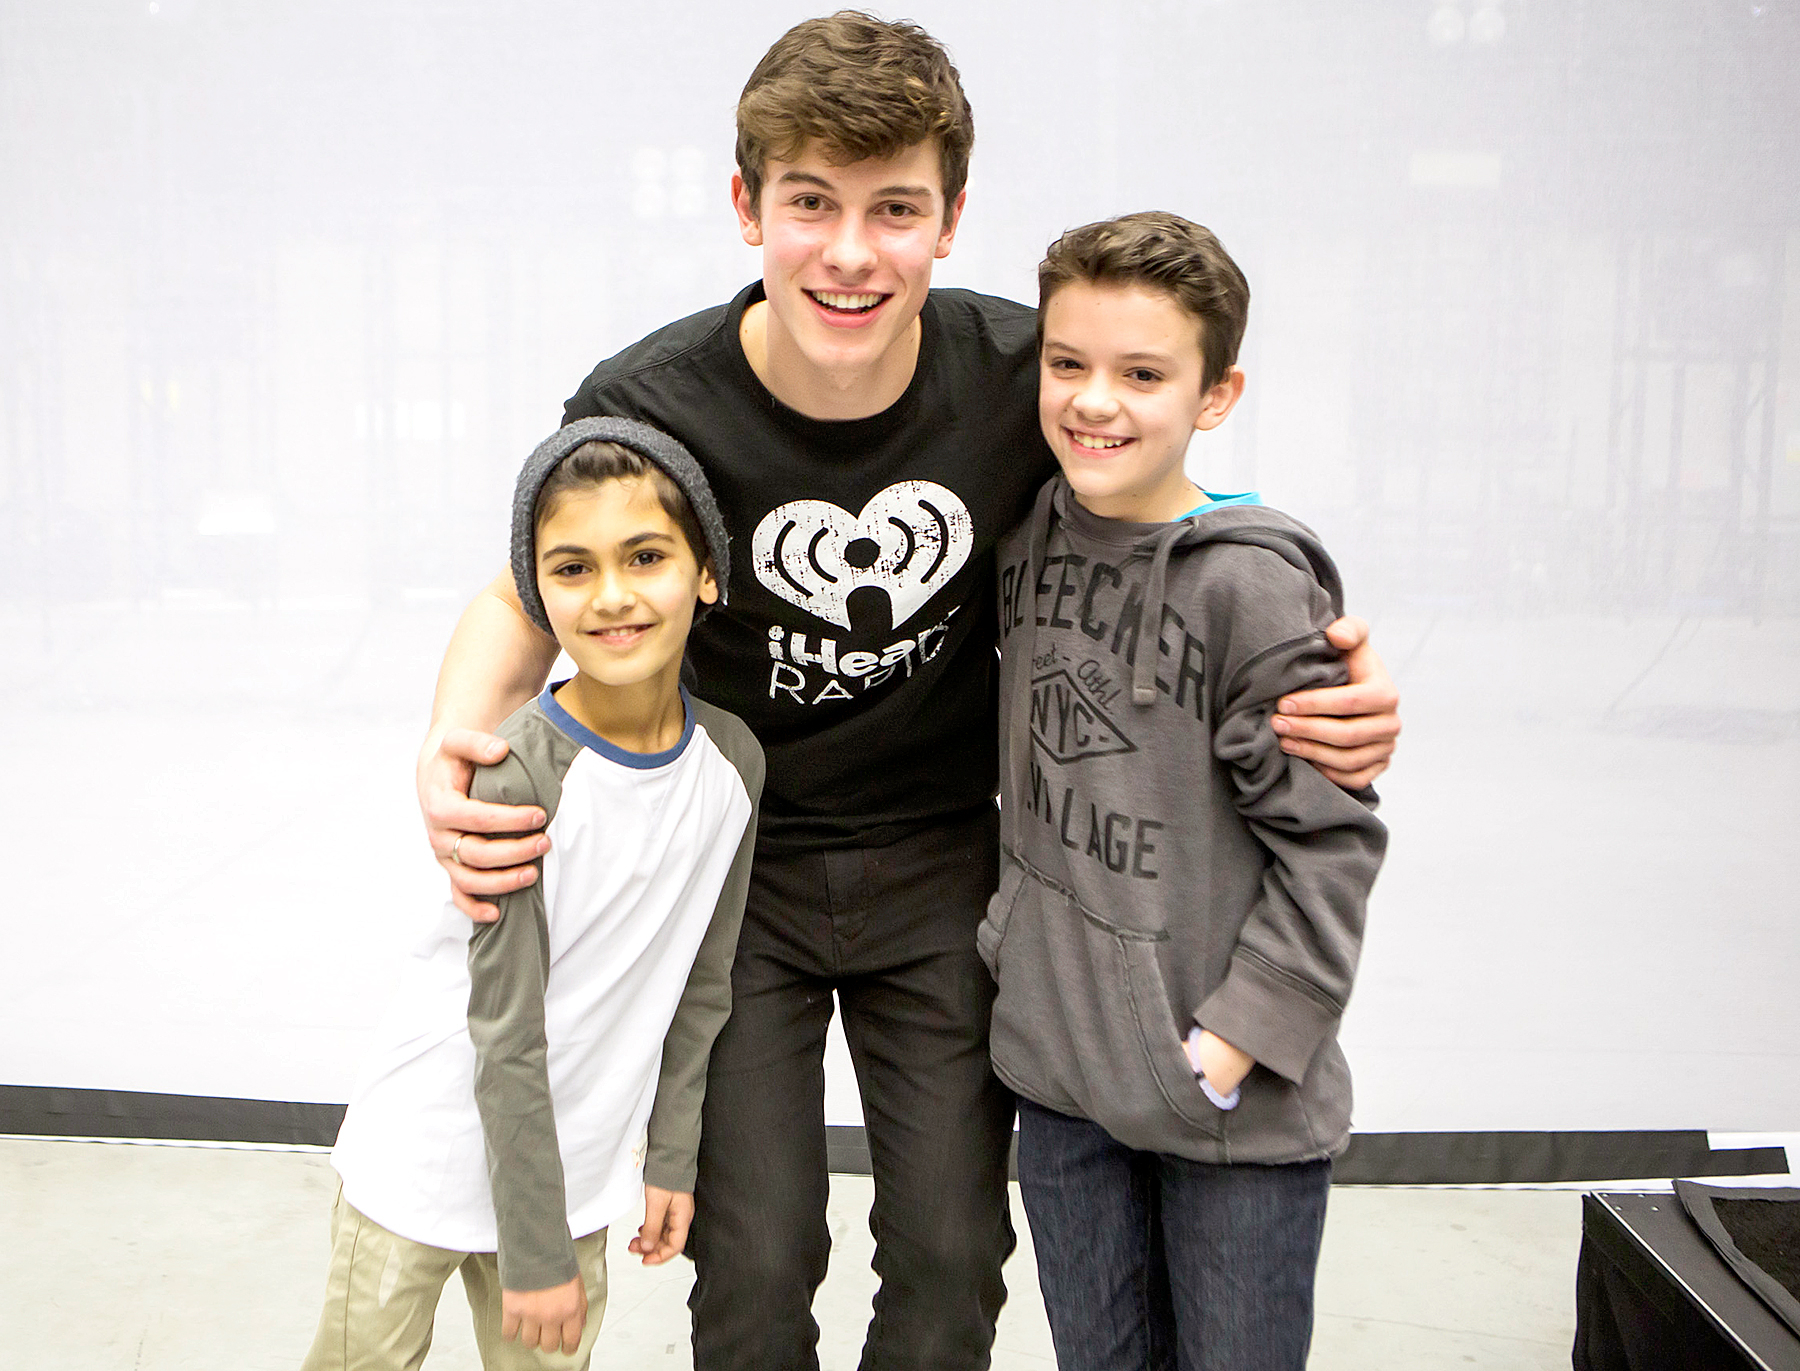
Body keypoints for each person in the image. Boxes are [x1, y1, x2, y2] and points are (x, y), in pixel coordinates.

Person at [414, 14, 1401, 1369]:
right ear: (746, 207)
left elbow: (1168, 509)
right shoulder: (651, 399)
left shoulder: (1017, 375)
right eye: (810, 204)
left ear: (950, 220)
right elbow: (523, 592)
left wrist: (1332, 646)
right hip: (737, 877)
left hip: (944, 867)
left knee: (950, 1256)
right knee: (755, 1258)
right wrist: (444, 749)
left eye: (896, 209)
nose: (851, 252)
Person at [982, 211, 1389, 1371]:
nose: (1095, 401)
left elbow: (1331, 844)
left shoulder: (1251, 589)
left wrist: (1230, 1044)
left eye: (1142, 374)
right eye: (1069, 365)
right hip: (1064, 1083)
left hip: (1232, 1109)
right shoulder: (1023, 535)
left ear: (1217, 395)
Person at [301, 419, 764, 1371]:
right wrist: (536, 1252)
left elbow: (702, 981)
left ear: (707, 572)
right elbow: (505, 1034)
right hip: (424, 1158)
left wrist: (672, 1154)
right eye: (572, 568)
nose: (614, 596)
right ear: (540, 594)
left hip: (577, 1171)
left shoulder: (733, 764)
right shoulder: (520, 773)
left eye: (646, 556)